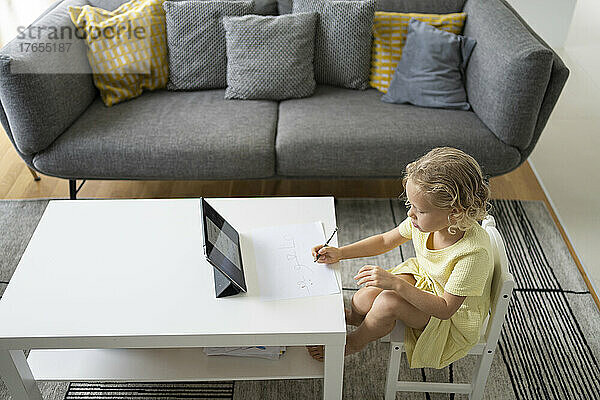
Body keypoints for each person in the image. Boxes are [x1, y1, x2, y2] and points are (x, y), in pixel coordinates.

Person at [307, 147, 494, 369]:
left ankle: (355, 342)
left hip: (450, 318)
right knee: (363, 298)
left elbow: (445, 309)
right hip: (426, 281)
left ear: (455, 212)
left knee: (387, 302)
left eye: (420, 210)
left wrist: (395, 284)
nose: (410, 214)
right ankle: (360, 320)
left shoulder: (472, 254)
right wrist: (341, 253)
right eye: (410, 205)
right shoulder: (428, 223)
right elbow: (386, 240)